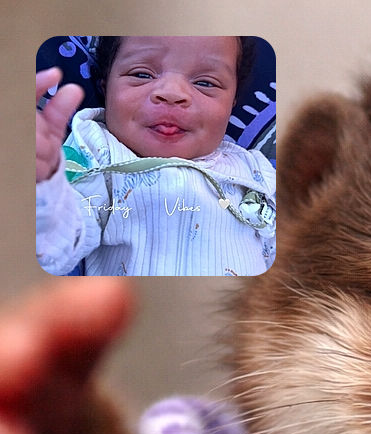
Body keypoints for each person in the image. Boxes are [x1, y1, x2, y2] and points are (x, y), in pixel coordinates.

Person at [35, 36, 275, 276]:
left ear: (232, 102)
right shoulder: (96, 151)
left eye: (205, 82)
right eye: (142, 75)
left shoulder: (255, 171)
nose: (172, 94)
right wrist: (47, 188)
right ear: (104, 86)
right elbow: (56, 248)